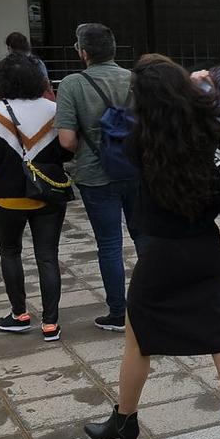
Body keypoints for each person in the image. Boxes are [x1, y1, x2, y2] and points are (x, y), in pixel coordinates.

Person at [85, 56, 220, 439]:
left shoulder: (139, 141)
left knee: (137, 338)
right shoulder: (211, 132)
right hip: (205, 250)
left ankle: (124, 420)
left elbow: (116, 129)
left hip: (161, 254)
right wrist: (196, 87)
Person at [0, 53, 69, 341]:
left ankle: (19, 314)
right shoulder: (54, 110)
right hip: (48, 195)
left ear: (0, 80)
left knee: (10, 252)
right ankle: (51, 323)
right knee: (48, 257)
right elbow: (66, 152)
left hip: (7, 197)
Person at [54, 22, 137, 332]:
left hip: (94, 173)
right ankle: (151, 304)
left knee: (110, 244)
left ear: (83, 52)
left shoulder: (73, 84)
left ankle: (119, 312)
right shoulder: (134, 79)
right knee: (143, 237)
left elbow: (66, 140)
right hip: (134, 169)